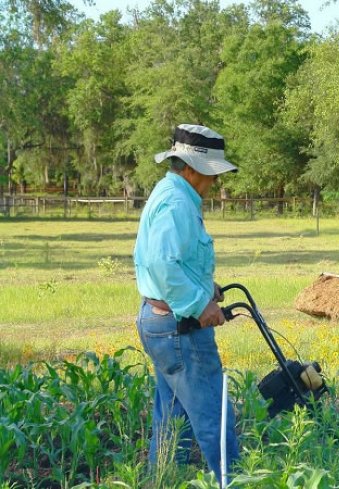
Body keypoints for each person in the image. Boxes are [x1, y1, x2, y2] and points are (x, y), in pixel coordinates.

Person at [133, 124, 240, 481]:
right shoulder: (178, 201)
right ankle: (233, 481)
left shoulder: (170, 192)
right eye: (212, 175)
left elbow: (174, 259)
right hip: (179, 328)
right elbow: (163, 264)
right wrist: (199, 304)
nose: (214, 183)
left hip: (161, 323)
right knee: (214, 415)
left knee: (171, 420)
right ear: (192, 168)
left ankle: (162, 480)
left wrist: (205, 287)